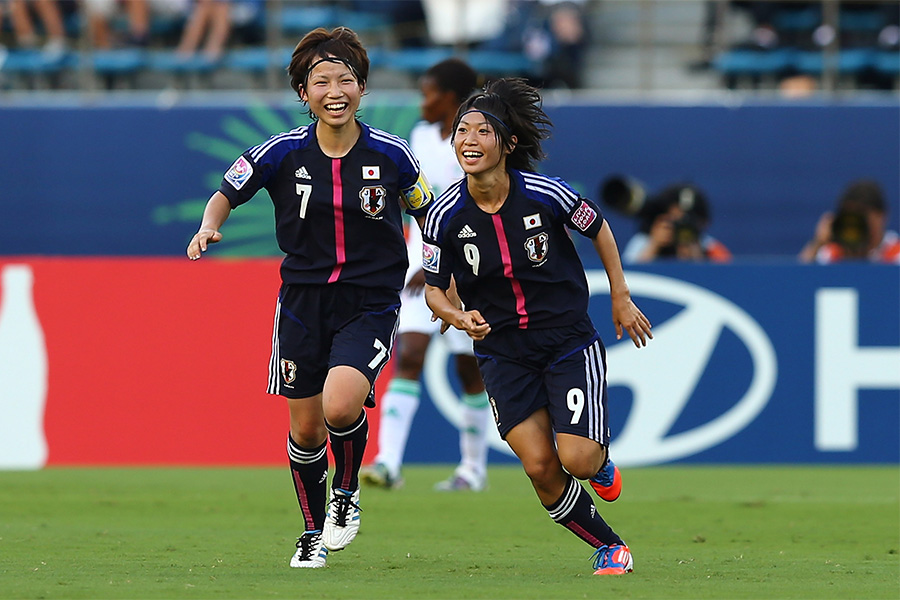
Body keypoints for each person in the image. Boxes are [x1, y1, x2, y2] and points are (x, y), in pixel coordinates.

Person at [186, 26, 434, 569]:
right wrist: (208, 225)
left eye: (345, 79)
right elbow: (227, 191)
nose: (334, 91)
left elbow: (428, 213)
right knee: (305, 428)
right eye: (321, 81)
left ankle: (346, 492)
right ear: (304, 92)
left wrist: (444, 276)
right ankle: (311, 532)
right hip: (301, 303)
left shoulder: (392, 155)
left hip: (370, 300)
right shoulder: (281, 152)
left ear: (362, 87)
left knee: (340, 404)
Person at [422, 78, 653, 575]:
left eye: (482, 131)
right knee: (540, 467)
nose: (469, 140)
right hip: (502, 352)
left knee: (578, 461)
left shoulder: (545, 194)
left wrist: (620, 296)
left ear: (508, 144)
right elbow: (434, 290)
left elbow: (599, 228)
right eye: (462, 131)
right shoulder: (442, 214)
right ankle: (610, 547)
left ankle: (599, 461)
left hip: (566, 342)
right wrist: (456, 315)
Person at [360, 58, 491, 493]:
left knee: (469, 371)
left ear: (450, 98)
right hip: (420, 268)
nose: (423, 102)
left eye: (428, 94)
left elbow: (478, 208)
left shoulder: (476, 142)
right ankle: (388, 463)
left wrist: (445, 267)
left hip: (467, 270)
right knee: (409, 355)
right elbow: (415, 201)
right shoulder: (419, 137)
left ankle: (472, 469)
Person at [619, 183, 732, 264]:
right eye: (673, 219)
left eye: (686, 220)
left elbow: (727, 274)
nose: (680, 225)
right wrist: (654, 245)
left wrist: (696, 256)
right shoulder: (643, 241)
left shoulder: (710, 247)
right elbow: (629, 276)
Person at [799, 179, 900, 264]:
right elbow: (799, 276)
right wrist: (818, 242)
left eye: (861, 213)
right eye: (849, 214)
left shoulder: (896, 254)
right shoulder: (832, 254)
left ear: (881, 216)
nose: (854, 222)